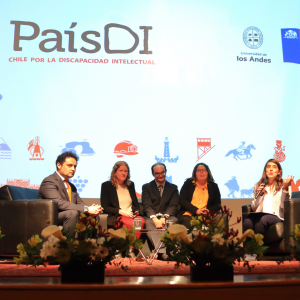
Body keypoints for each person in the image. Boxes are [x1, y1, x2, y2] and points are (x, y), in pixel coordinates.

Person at [38, 152, 102, 235]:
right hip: (50, 216)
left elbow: (79, 202)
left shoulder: (71, 186)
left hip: (65, 214)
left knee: (93, 216)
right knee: (72, 213)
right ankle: (68, 246)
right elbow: (59, 203)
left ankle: (88, 245)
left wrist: (92, 208)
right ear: (59, 165)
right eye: (69, 165)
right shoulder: (49, 181)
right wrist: (87, 209)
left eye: (75, 166)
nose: (73, 169)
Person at [101, 161, 145, 258]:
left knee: (140, 221)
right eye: (121, 170)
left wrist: (136, 210)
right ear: (115, 172)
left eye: (126, 171)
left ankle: (131, 249)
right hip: (117, 215)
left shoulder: (130, 185)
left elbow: (135, 204)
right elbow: (105, 207)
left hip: (130, 214)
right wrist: (121, 211)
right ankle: (119, 250)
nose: (123, 173)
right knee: (129, 223)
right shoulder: (106, 186)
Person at [243, 159, 294, 236]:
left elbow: (285, 207)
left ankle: (258, 246)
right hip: (259, 214)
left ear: (279, 172)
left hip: (276, 216)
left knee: (263, 220)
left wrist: (285, 189)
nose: (271, 169)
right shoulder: (258, 185)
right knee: (247, 221)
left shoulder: (284, 185)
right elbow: (254, 207)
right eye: (268, 167)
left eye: (274, 167)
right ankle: (249, 247)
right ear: (265, 170)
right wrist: (260, 194)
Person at [142, 163, 179, 260]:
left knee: (173, 221)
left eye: (162, 172)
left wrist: (164, 217)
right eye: (157, 173)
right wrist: (155, 219)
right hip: (152, 217)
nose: (160, 175)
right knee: (148, 223)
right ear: (153, 174)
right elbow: (147, 205)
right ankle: (162, 252)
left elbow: (173, 205)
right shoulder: (146, 187)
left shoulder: (173, 188)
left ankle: (158, 253)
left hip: (167, 216)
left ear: (165, 172)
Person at [177, 163, 221, 228]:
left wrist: (209, 211)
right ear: (195, 173)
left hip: (206, 215)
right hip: (189, 214)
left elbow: (217, 204)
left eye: (204, 170)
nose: (201, 172)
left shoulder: (214, 186)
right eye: (199, 170)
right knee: (188, 222)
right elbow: (182, 200)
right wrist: (195, 210)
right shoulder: (188, 183)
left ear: (208, 173)